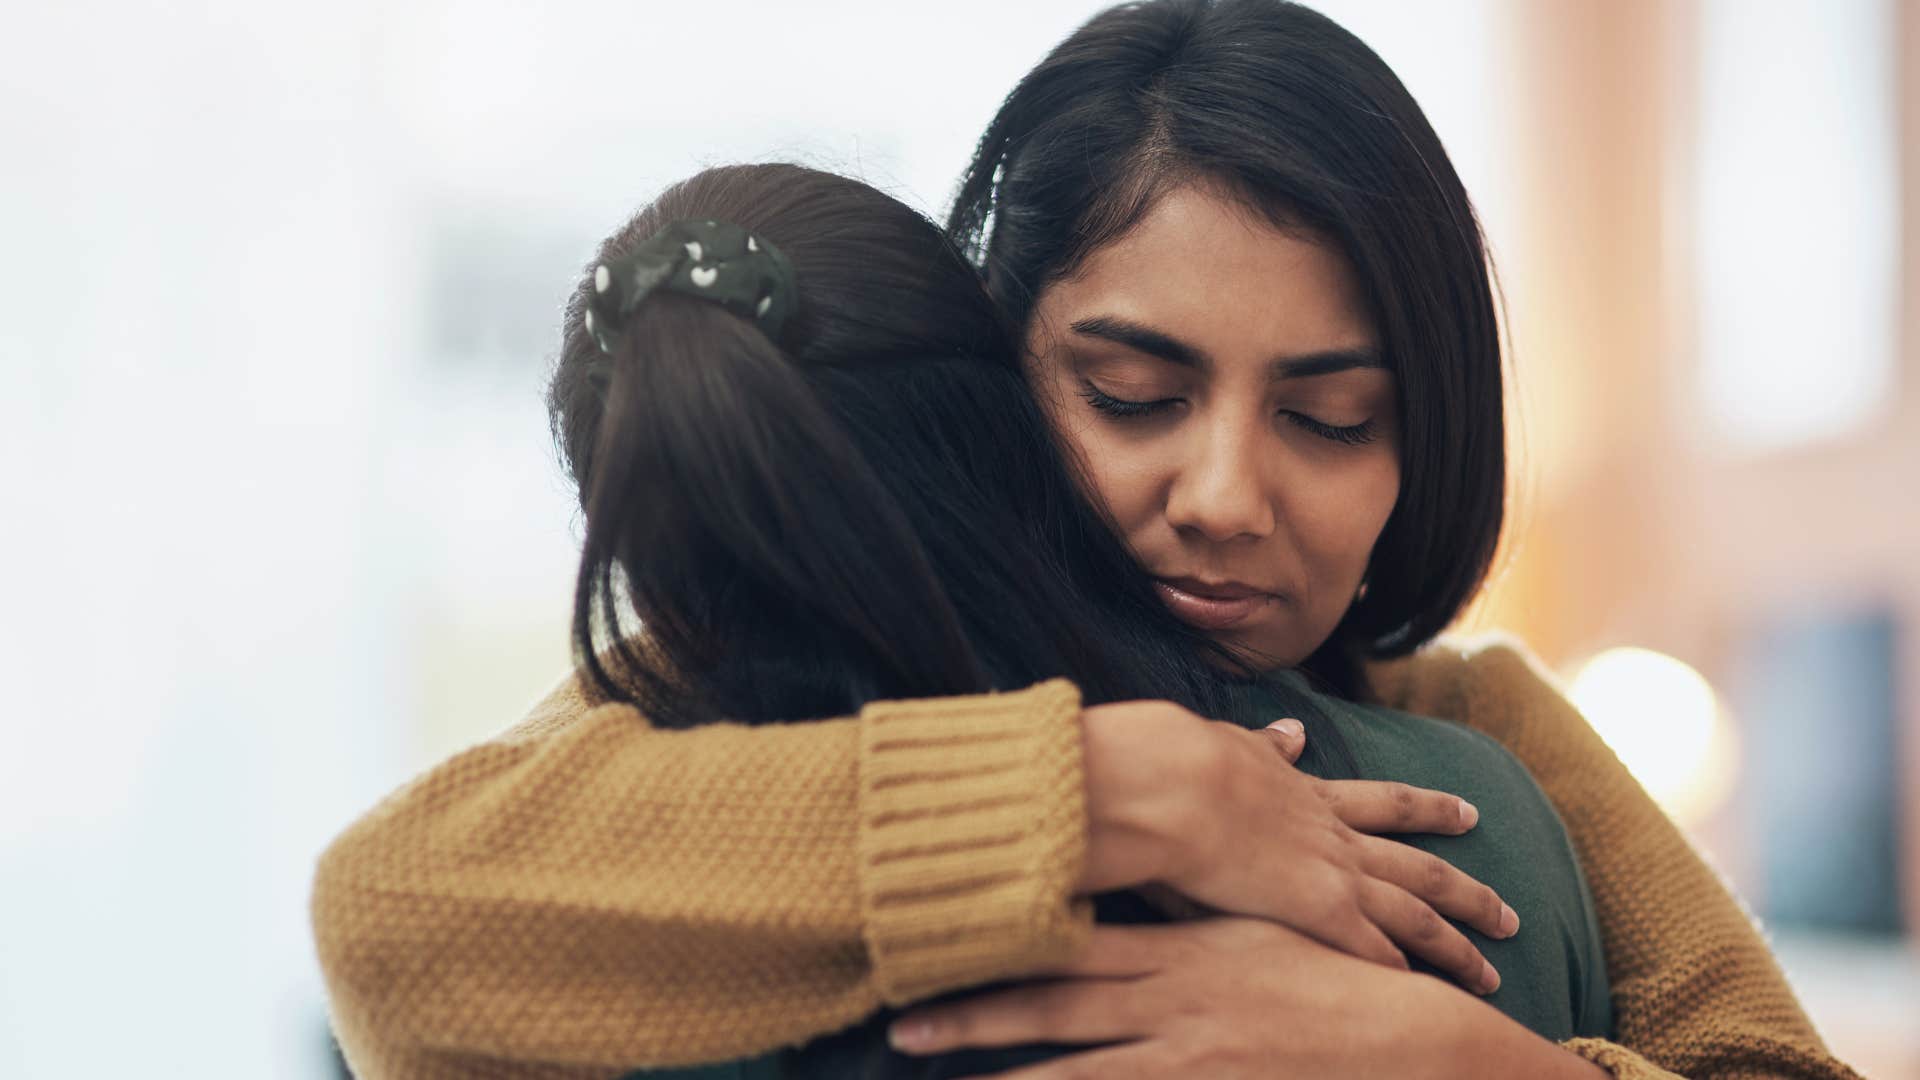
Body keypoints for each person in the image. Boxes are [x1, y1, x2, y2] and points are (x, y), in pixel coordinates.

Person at [310, 2, 1861, 1078]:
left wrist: (1472, 1064)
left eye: (1329, 421)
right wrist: (1105, 798)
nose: (1225, 496)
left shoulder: (1482, 730)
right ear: (996, 373)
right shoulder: (753, 691)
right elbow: (394, 914)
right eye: (1132, 396)